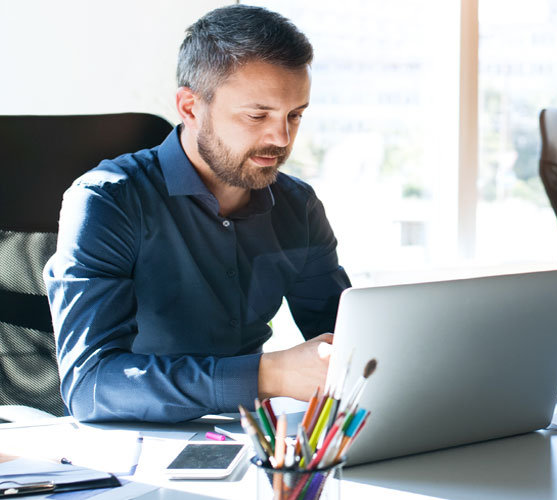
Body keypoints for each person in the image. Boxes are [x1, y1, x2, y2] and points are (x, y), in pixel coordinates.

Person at [43, 5, 351, 423]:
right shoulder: (107, 201)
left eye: (294, 115)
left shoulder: (298, 205)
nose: (281, 138)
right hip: (131, 447)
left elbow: (349, 337)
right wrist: (267, 374)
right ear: (189, 107)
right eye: (257, 115)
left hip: (249, 438)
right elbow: (90, 386)